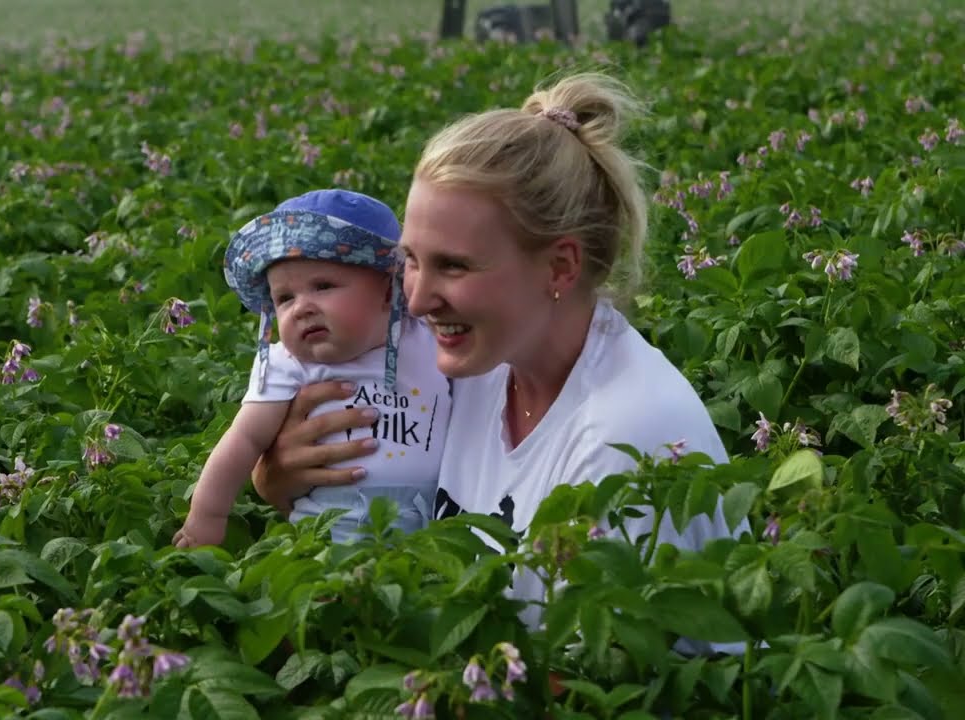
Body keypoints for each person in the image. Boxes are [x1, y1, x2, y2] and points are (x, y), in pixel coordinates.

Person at [250, 73, 748, 635]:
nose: (414, 301)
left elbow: (595, 681)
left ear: (560, 267)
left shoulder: (626, 439)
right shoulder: (478, 361)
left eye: (454, 266)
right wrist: (278, 480)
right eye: (410, 260)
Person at [173, 189, 452, 548]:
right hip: (324, 534)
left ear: (388, 292)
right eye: (284, 298)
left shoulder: (429, 339)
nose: (301, 308)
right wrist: (206, 517)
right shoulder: (289, 364)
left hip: (432, 527)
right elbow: (243, 440)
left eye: (322, 286)